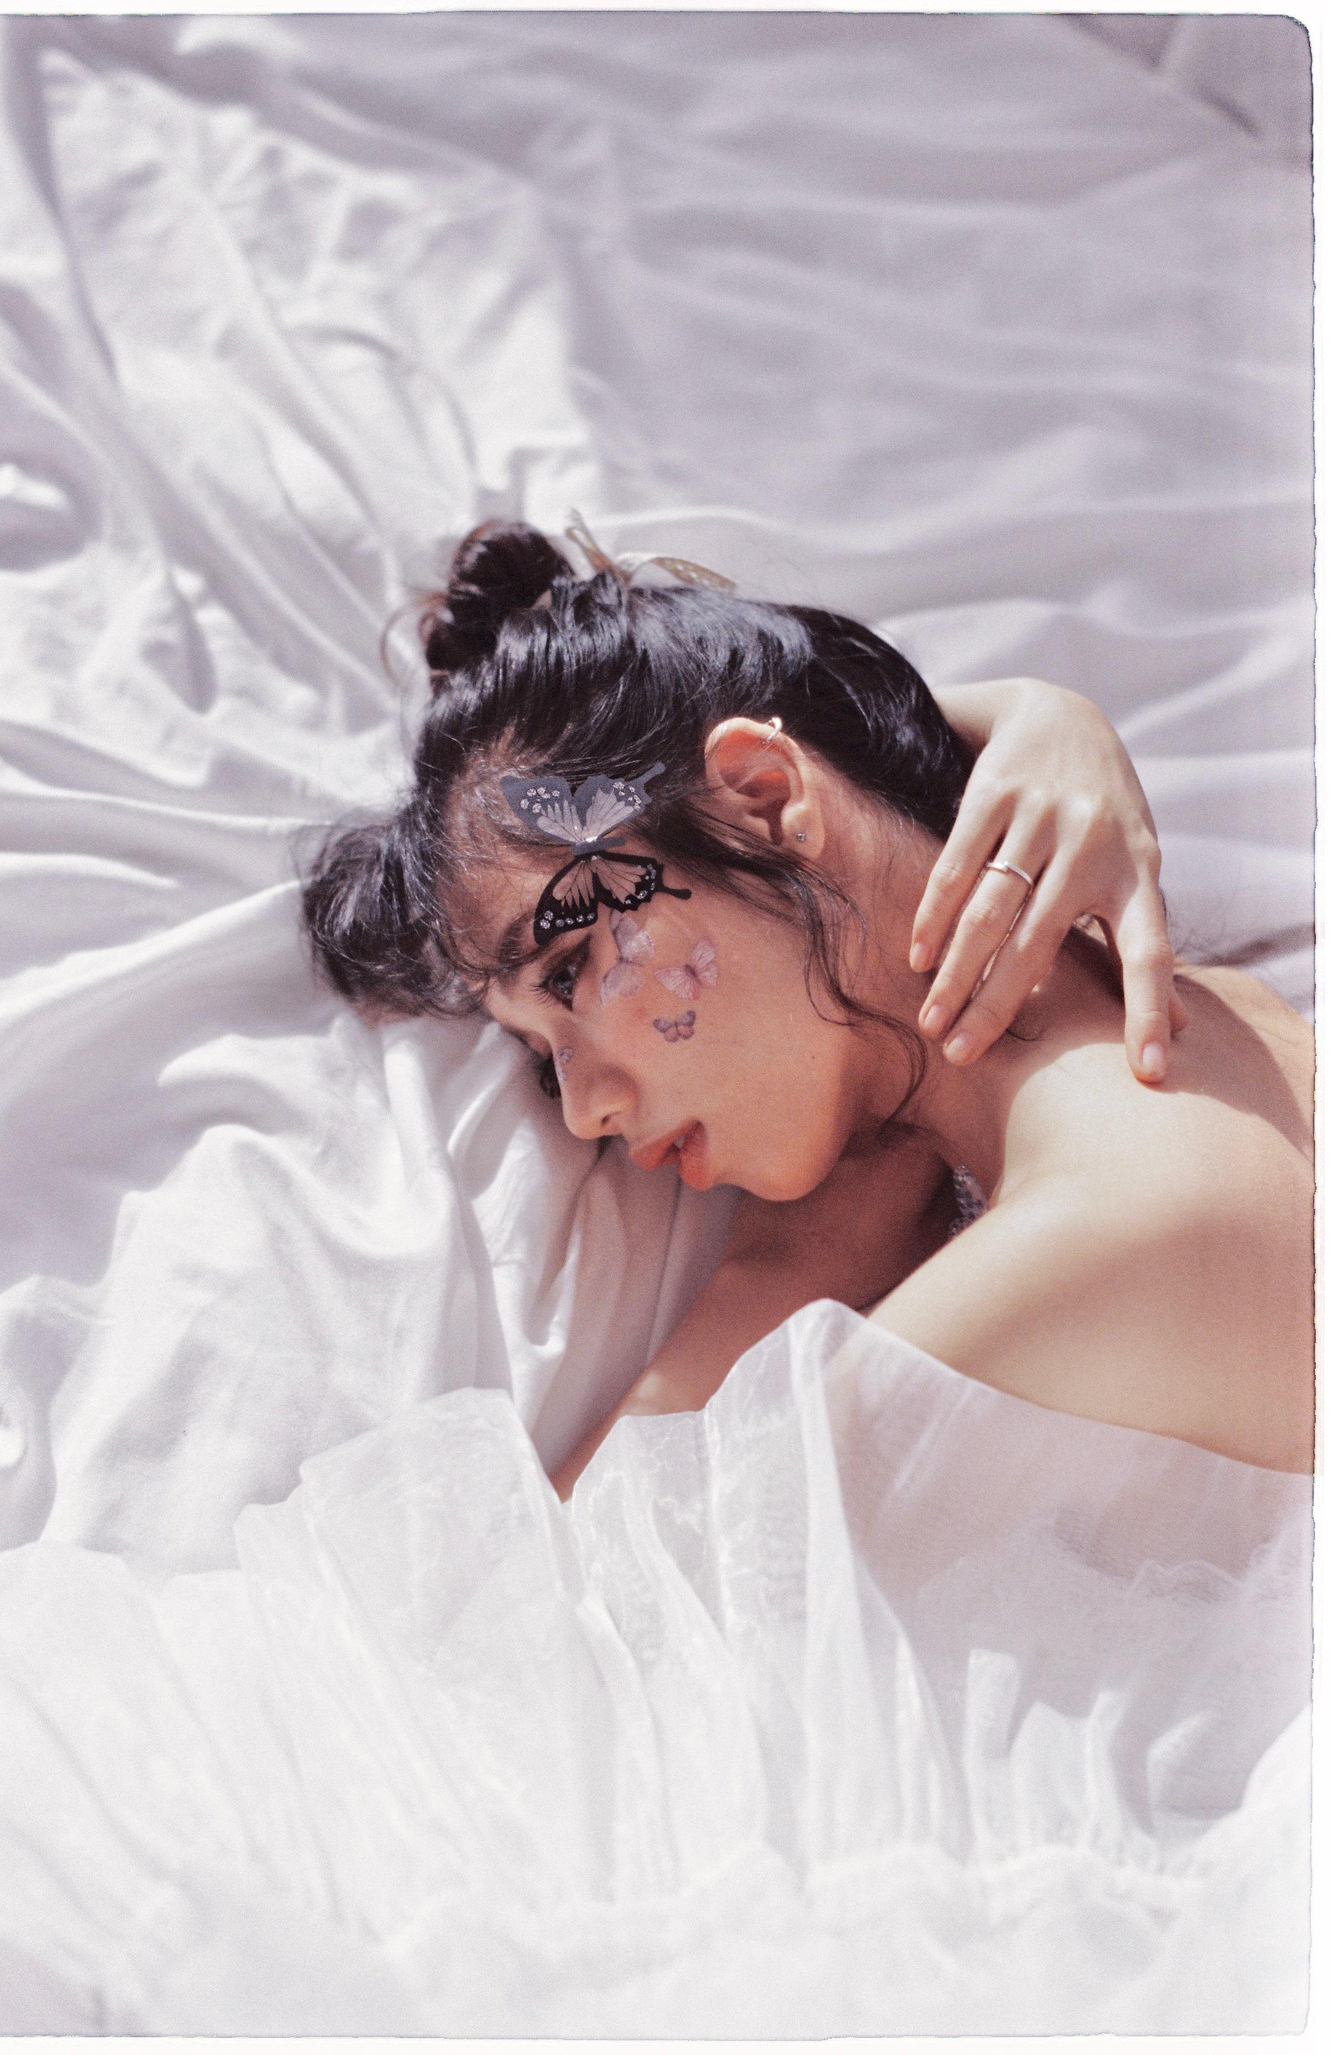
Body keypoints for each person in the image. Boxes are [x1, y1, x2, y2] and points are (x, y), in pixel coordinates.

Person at [304, 521, 1312, 1496]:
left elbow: (590, 1581)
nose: (582, 1112)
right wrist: (1034, 712)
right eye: (543, 1056)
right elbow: (843, 748)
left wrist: (780, 1269)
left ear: (763, 797)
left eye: (569, 971)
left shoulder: (1098, 1232)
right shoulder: (1212, 1025)